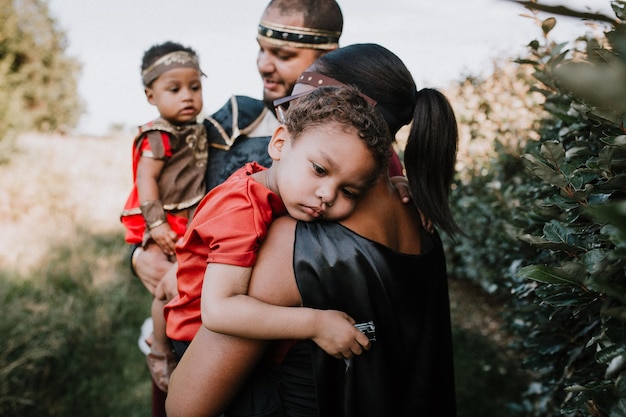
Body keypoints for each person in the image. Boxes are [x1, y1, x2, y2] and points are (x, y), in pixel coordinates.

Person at [165, 43, 459, 417]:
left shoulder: (291, 246)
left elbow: (186, 406)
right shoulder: (420, 219)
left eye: (303, 105)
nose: (293, 117)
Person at [128, 2, 344, 416]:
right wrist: (138, 255)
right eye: (261, 49)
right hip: (193, 322)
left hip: (284, 347)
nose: (264, 65)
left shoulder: (346, 143)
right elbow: (167, 199)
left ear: (328, 56)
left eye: (282, 54)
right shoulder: (225, 125)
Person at [164, 84, 393, 363]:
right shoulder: (242, 207)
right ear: (279, 143)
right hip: (199, 342)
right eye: (319, 170)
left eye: (349, 192)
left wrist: (401, 184)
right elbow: (218, 310)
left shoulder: (274, 186)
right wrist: (316, 324)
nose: (328, 195)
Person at [119, 41, 207, 393]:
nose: (187, 96)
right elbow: (146, 181)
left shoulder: (196, 129)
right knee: (166, 291)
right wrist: (156, 226)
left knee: (183, 287)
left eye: (195, 87)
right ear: (150, 96)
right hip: (167, 222)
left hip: (189, 217)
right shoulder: (159, 135)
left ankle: (185, 348)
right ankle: (160, 348)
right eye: (174, 89)